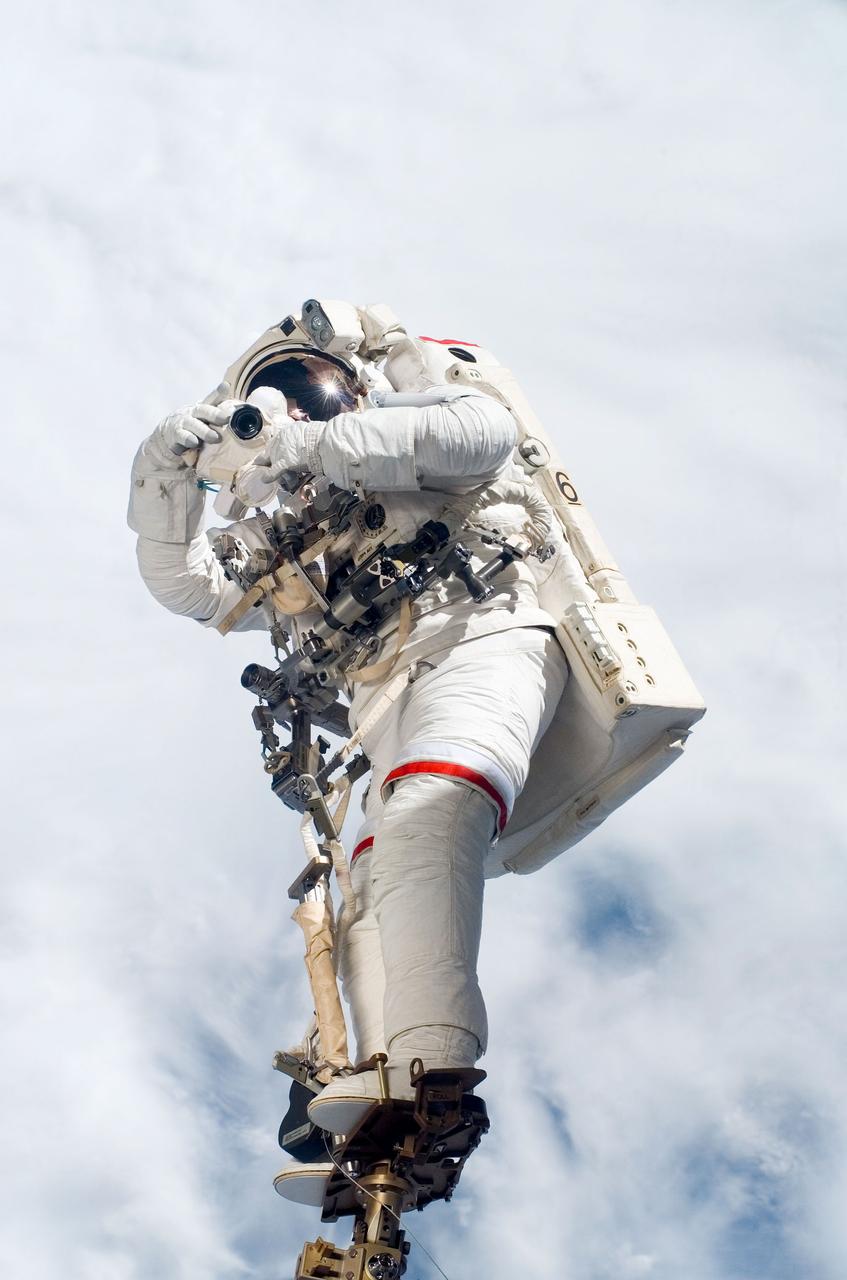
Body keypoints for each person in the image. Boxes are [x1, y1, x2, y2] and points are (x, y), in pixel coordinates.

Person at [128, 309, 569, 1189]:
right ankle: (375, 1085)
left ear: (352, 391)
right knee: (367, 887)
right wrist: (163, 480)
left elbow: (479, 435)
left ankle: (435, 1079)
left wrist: (306, 444)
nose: (289, 410)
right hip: (384, 692)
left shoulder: (425, 427)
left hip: (482, 636)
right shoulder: (293, 532)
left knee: (425, 815)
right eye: (271, 398)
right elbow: (187, 585)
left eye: (306, 390)